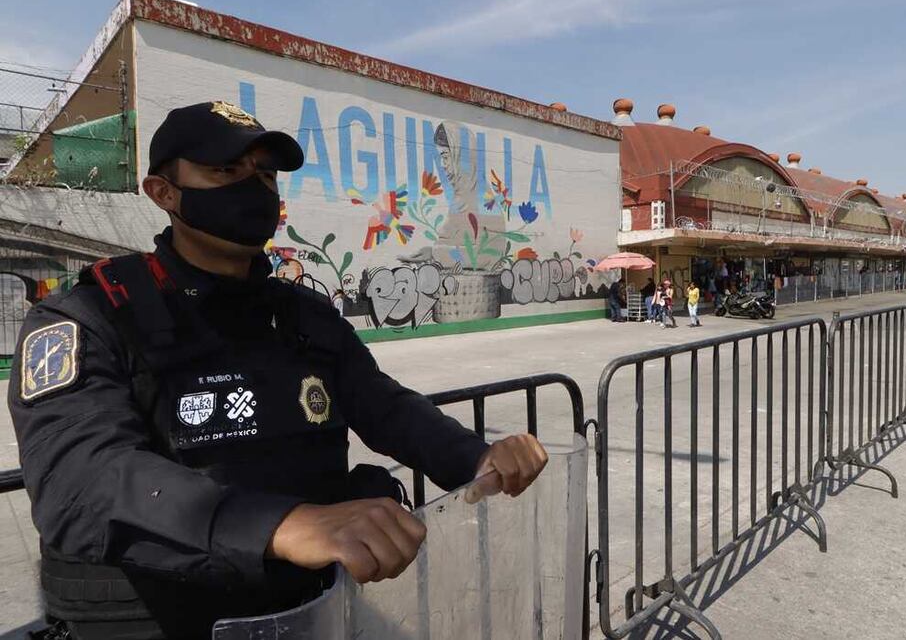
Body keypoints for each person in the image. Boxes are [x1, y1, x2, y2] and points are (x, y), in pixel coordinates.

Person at [9, 101, 548, 640]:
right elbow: (78, 479)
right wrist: (281, 526)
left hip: (306, 615)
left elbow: (383, 405)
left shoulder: (303, 314)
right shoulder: (90, 316)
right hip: (163, 623)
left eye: (265, 174)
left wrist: (475, 456)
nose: (253, 187)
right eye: (226, 170)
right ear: (163, 192)